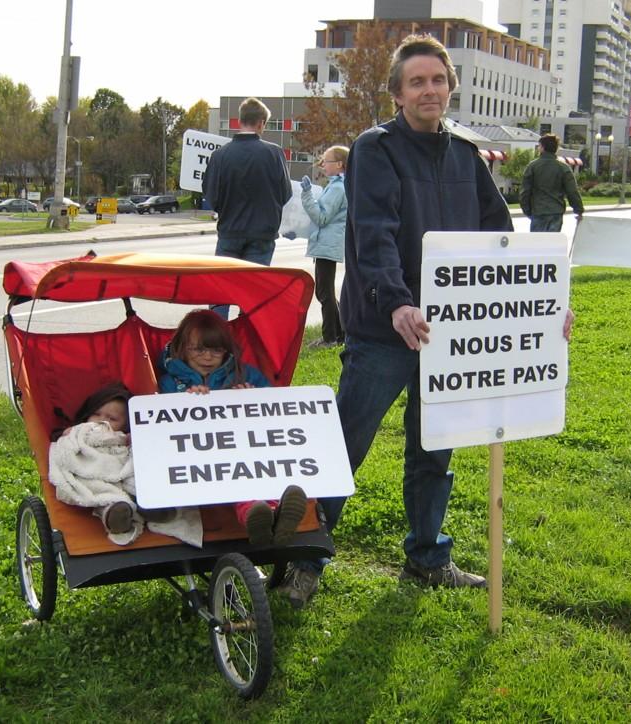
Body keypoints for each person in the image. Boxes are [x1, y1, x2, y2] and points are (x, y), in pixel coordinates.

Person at [279, 33, 574, 610]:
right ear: (398, 93)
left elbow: (503, 241)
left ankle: (428, 556)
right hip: (384, 329)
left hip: (451, 335)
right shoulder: (375, 148)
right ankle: (304, 559)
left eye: (437, 80)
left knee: (434, 445)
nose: (429, 90)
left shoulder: (466, 155)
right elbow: (375, 231)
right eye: (417, 81)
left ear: (450, 87)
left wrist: (546, 303)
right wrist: (397, 302)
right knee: (347, 444)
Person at [158, 309, 307, 545]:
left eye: (216, 350)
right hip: (200, 456)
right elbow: (158, 423)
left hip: (245, 447)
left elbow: (277, 410)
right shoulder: (169, 382)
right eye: (199, 349)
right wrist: (183, 401)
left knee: (258, 466)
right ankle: (259, 515)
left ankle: (275, 514)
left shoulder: (246, 374)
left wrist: (254, 399)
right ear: (181, 348)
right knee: (234, 475)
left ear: (226, 351)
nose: (207, 357)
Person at [201, 97, 292, 318]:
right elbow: (285, 193)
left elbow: (211, 196)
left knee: (221, 292)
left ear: (240, 121)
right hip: (262, 234)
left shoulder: (220, 156)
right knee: (253, 295)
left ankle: (215, 341)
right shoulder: (274, 153)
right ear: (261, 122)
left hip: (230, 231)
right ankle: (247, 344)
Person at [48, 383, 142, 545]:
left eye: (112, 418)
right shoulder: (78, 430)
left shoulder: (125, 436)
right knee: (101, 492)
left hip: (121, 466)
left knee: (136, 481)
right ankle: (114, 513)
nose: (102, 421)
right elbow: (65, 447)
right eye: (96, 414)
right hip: (92, 470)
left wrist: (128, 440)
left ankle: (150, 506)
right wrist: (69, 434)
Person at [300, 145, 349, 348]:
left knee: (324, 292)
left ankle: (330, 337)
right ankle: (339, 334)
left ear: (339, 165)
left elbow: (321, 217)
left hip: (328, 244)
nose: (323, 165)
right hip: (329, 243)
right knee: (326, 290)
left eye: (326, 161)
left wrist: (306, 195)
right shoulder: (338, 185)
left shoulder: (337, 188)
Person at [520, 133, 584, 232]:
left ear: (542, 148)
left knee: (537, 244)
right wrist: (578, 210)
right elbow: (572, 192)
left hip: (538, 212)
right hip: (556, 212)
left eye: (539, 146)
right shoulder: (563, 168)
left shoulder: (532, 167)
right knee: (553, 243)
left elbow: (525, 192)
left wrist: (527, 210)